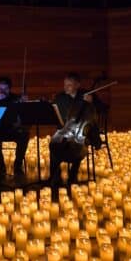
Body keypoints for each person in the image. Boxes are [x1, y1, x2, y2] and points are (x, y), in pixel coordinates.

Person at [49, 72, 105, 202]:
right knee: (54, 144)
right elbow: (53, 111)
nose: (66, 87)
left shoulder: (88, 95)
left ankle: (73, 175)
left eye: (69, 85)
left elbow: (103, 109)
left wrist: (92, 102)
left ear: (77, 85)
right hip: (65, 131)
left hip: (83, 132)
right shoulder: (60, 97)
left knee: (78, 146)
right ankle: (55, 177)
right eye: (65, 84)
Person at [0, 77, 29, 181]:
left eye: (5, 89)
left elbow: (24, 114)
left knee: (24, 135)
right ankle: (1, 167)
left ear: (9, 89)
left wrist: (25, 103)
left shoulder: (16, 98)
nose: (2, 92)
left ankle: (17, 166)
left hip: (14, 129)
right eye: (0, 89)